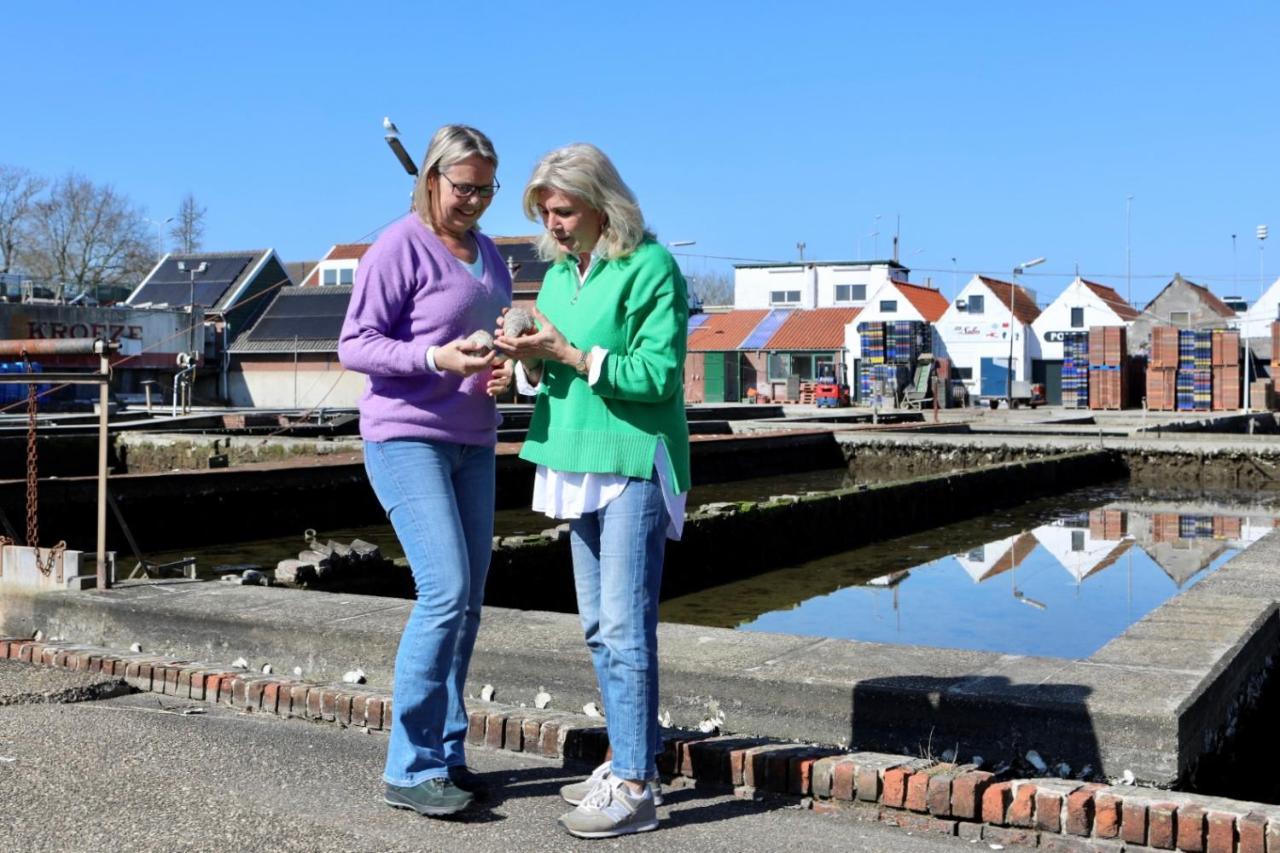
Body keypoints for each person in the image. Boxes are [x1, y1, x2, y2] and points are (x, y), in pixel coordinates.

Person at [495, 143, 690, 839]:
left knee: (626, 626)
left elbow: (658, 376)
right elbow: (555, 376)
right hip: (573, 459)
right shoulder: (555, 280)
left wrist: (570, 355)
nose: (551, 223)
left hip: (634, 459)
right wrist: (519, 368)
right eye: (543, 212)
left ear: (602, 203)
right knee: (598, 628)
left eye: (562, 210)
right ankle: (626, 759)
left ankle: (636, 783)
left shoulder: (652, 267)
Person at [338, 124, 512, 817]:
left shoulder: (491, 253)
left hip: (474, 438)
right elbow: (356, 343)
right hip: (406, 436)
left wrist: (505, 367)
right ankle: (408, 765)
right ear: (432, 178)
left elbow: (487, 335)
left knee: (468, 604)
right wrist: (434, 360)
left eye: (485, 189)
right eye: (463, 186)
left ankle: (445, 752)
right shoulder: (397, 244)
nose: (473, 200)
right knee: (444, 592)